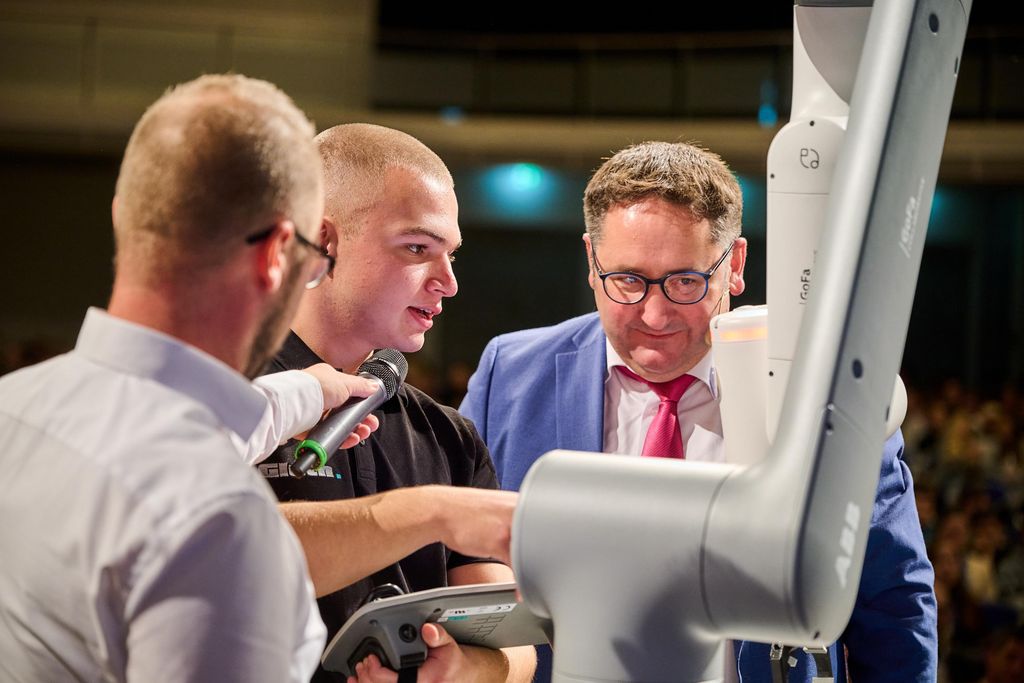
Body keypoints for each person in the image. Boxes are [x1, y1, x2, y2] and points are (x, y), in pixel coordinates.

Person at [460, 141, 937, 682]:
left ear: (733, 265)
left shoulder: (815, 388)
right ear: (591, 262)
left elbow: (894, 600)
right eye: (628, 281)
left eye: (685, 281)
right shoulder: (511, 372)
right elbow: (458, 566)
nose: (656, 313)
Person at [0, 74, 381, 682]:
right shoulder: (218, 521)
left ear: (127, 213)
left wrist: (310, 389)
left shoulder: (13, 407)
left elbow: (164, 424)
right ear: (277, 253)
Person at [258, 123, 536, 683]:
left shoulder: (448, 435)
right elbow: (223, 549)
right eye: (417, 248)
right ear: (323, 242)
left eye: (451, 254)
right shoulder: (222, 399)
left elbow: (515, 644)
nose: (448, 282)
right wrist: (424, 513)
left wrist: (467, 670)